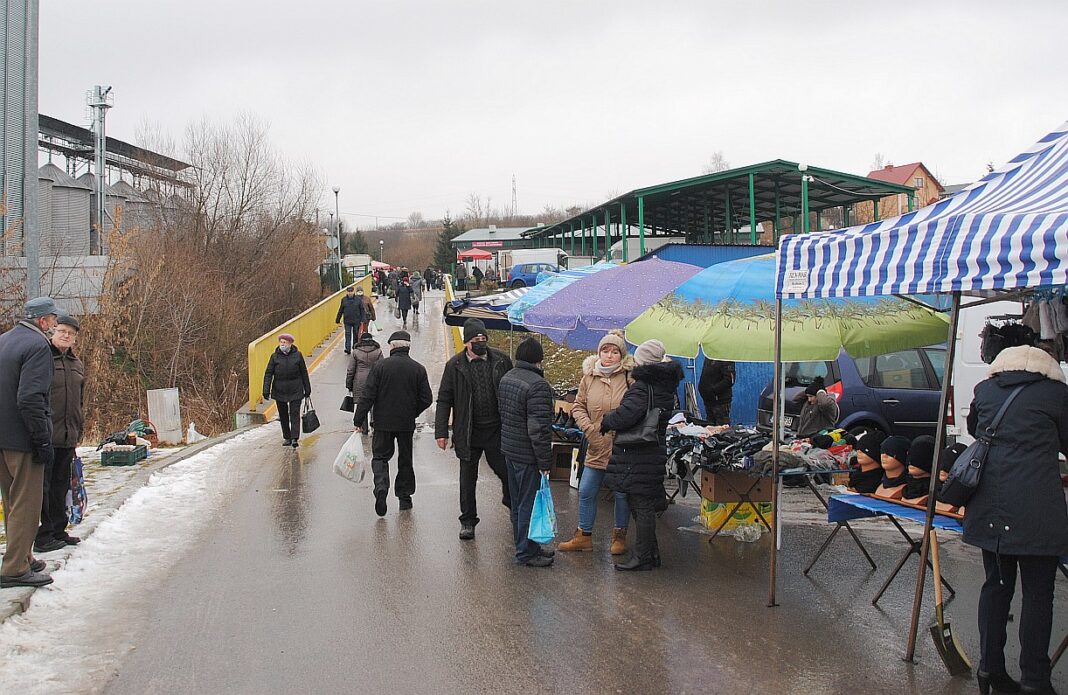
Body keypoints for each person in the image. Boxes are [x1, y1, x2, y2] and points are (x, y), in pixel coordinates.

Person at [964, 344, 1068, 695]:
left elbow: (975, 429)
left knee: (996, 587)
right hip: (1037, 506)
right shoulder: (1057, 394)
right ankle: (1035, 680)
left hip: (990, 504)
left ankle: (989, 668)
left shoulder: (985, 390)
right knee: (1038, 594)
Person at [601, 339, 683, 571]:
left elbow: (628, 415)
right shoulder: (664, 385)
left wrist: (608, 420)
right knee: (641, 501)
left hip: (638, 451)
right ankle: (651, 553)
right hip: (650, 450)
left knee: (641, 504)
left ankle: (644, 557)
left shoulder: (643, 386)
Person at [0, 297, 59, 588]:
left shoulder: (5, 340)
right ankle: (14, 569)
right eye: (52, 319)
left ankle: (22, 556)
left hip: (2, 436)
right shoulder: (37, 346)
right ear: (42, 321)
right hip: (23, 438)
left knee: (12, 501)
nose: (55, 324)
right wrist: (42, 440)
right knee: (27, 504)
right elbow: (31, 398)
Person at [435, 318, 513, 540]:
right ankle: (468, 520)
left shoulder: (501, 360)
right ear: (467, 343)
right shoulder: (455, 365)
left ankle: (512, 505)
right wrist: (441, 431)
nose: (481, 343)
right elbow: (444, 399)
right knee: (467, 479)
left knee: (506, 472)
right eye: (476, 340)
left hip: (496, 430)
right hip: (468, 431)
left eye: (483, 339)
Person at [559, 330, 633, 555]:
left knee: (621, 492)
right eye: (605, 350)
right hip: (595, 443)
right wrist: (589, 429)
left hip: (621, 445)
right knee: (587, 489)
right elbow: (579, 406)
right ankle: (583, 535)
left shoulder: (629, 377)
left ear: (621, 355)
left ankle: (619, 536)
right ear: (598, 352)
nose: (609, 356)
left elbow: (634, 408)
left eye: (614, 352)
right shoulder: (588, 377)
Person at [352, 330, 433, 517]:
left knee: (380, 457)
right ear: (408, 346)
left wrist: (359, 419)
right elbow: (426, 398)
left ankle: (381, 486)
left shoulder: (380, 367)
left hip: (382, 422)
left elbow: (368, 394)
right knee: (405, 459)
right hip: (405, 423)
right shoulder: (418, 369)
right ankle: (404, 498)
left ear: (391, 346)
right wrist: (413, 411)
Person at [497, 337, 554, 568]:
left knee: (519, 501)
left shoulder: (507, 378)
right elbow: (538, 429)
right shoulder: (538, 386)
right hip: (528, 454)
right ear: (539, 360)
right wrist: (545, 461)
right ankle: (525, 552)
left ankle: (527, 546)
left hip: (510, 450)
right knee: (528, 504)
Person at [35, 313, 84, 554]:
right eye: (62, 331)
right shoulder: (42, 359)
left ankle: (58, 530)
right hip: (46, 436)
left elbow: (80, 401)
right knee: (43, 488)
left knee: (61, 486)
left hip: (68, 435)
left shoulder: (77, 365)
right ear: (52, 332)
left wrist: (79, 428)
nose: (66, 336)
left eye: (71, 333)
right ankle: (43, 536)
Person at [263, 333, 311, 448]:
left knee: (294, 413)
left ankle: (294, 438)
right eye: (281, 342)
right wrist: (266, 389)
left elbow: (304, 373)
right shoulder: (275, 356)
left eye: (284, 342)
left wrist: (307, 388)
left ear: (290, 343)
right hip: (279, 389)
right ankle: (287, 437)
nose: (282, 344)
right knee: (283, 414)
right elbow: (268, 373)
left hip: (295, 388)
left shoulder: (298, 356)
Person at [346, 332, 382, 431]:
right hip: (374, 380)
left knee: (362, 404)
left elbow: (350, 370)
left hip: (359, 381)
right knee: (374, 403)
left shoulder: (356, 352)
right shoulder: (378, 351)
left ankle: (363, 427)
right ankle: (374, 424)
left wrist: (349, 384)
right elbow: (382, 367)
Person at [698, 359, 735, 425]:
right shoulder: (708, 357)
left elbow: (729, 380)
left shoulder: (725, 359)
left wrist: (713, 390)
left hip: (720, 402)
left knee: (721, 429)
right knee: (710, 428)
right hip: (708, 401)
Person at [335, 286, 370, 355]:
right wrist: (338, 319)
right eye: (349, 292)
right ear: (347, 292)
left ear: (353, 292)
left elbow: (362, 310)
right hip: (347, 321)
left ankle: (355, 347)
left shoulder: (358, 300)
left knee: (356, 334)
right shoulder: (343, 300)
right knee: (347, 334)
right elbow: (341, 310)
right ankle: (347, 348)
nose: (350, 293)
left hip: (356, 320)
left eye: (351, 291)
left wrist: (363, 319)